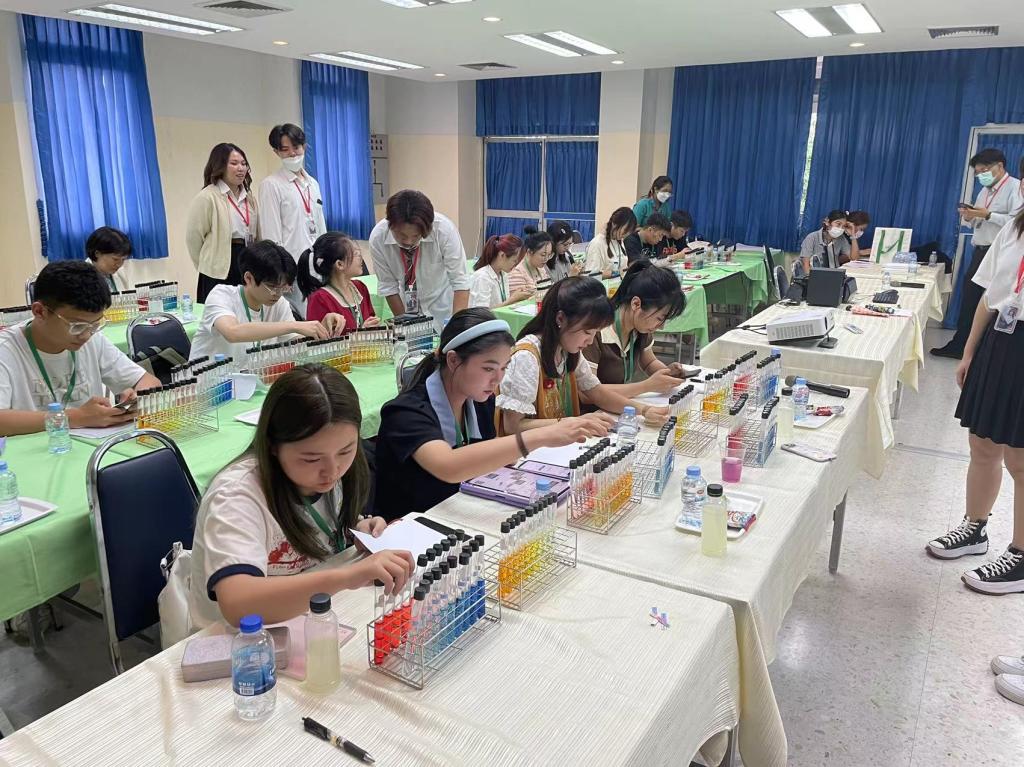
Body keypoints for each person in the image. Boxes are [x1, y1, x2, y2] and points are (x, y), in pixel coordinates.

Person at [186, 364, 413, 628]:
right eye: (311, 459)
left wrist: (357, 529)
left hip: (310, 617)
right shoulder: (236, 496)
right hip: (239, 638)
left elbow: (319, 523)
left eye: (346, 451)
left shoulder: (329, 473)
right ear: (273, 445)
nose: (332, 471)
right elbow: (238, 603)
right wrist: (346, 577)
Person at [375, 309, 609, 519]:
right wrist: (543, 435)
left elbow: (487, 454)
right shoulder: (406, 413)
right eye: (488, 368)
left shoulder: (479, 400)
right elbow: (449, 465)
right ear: (453, 360)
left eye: (504, 368)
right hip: (411, 529)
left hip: (461, 511)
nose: (498, 379)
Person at [926, 206, 1024, 597]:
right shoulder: (1014, 228)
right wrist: (969, 351)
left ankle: (1020, 555)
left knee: (1020, 459)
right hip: (1000, 339)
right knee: (982, 445)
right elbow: (990, 295)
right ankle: (975, 528)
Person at [0, 261, 159, 436]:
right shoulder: (6, 350)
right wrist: (75, 418)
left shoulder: (93, 339)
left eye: (95, 324)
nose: (85, 335)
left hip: (91, 446)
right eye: (76, 326)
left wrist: (136, 399)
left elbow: (149, 382)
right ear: (40, 312)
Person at [496, 277, 669, 435]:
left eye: (595, 333)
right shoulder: (527, 357)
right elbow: (513, 427)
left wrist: (643, 410)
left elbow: (598, 393)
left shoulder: (568, 351)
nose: (590, 341)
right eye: (587, 332)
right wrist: (574, 422)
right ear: (560, 319)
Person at [932, 149, 1024, 359]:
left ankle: (978, 347)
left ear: (1000, 166)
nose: (981, 175)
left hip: (1001, 253)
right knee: (970, 299)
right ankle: (961, 344)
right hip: (980, 250)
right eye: (978, 172)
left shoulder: (1014, 188)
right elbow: (981, 220)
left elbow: (1015, 222)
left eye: (985, 170)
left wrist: (988, 214)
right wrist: (971, 216)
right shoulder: (984, 191)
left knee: (993, 299)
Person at [189, 240, 341, 363]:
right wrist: (294, 325)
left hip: (250, 384)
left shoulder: (279, 304)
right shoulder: (221, 295)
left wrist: (320, 330)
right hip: (206, 385)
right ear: (248, 278)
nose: (278, 294)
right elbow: (233, 332)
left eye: (284, 288)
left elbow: (295, 342)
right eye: (272, 287)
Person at [369, 190, 470, 333]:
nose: (408, 242)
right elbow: (388, 286)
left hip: (444, 308)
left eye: (416, 236)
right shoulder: (378, 238)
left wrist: (455, 327)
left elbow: (460, 281)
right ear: (390, 225)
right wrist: (406, 326)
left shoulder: (443, 230)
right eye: (402, 235)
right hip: (407, 308)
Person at [583, 262, 689, 397]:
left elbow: (649, 362)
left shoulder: (640, 327)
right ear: (636, 304)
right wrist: (646, 386)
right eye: (659, 318)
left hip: (620, 405)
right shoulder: (595, 331)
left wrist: (667, 373)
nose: (661, 326)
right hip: (596, 409)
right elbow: (587, 393)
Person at [257, 124, 328, 318]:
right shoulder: (271, 185)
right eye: (285, 150)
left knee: (323, 316)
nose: (292, 154)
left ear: (304, 146)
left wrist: (326, 261)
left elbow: (321, 227)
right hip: (293, 271)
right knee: (304, 321)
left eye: (296, 147)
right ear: (276, 152)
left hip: (317, 267)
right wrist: (282, 274)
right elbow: (272, 236)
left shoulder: (313, 184)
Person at [185, 143, 259, 304]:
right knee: (219, 312)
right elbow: (194, 239)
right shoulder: (208, 196)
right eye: (234, 163)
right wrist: (208, 264)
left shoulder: (249, 198)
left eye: (244, 163)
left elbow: (257, 234)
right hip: (218, 267)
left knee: (245, 310)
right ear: (220, 166)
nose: (240, 168)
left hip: (246, 260)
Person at [297, 232, 380, 331]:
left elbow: (371, 320)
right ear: (340, 264)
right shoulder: (320, 298)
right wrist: (361, 333)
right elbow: (319, 338)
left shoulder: (360, 287)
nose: (361, 258)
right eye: (356, 254)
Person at [469, 234, 532, 309]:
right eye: (514, 261)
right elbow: (481, 312)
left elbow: (501, 305)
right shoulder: (482, 277)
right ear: (502, 255)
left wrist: (518, 296)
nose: (515, 265)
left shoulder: (503, 274)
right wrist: (513, 299)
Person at [585, 207, 636, 278]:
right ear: (614, 224)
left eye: (629, 232)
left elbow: (622, 267)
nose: (626, 235)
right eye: (625, 230)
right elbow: (590, 275)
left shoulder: (619, 240)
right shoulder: (597, 244)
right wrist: (614, 273)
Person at [798, 209, 851, 274]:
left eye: (844, 226)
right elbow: (806, 265)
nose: (840, 228)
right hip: (815, 275)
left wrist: (853, 235)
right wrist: (811, 279)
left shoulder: (841, 238)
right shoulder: (812, 238)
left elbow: (852, 257)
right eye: (838, 224)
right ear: (827, 222)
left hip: (834, 274)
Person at [85, 226, 132, 293]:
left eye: (123, 259)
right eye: (115, 259)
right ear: (97, 253)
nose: (119, 265)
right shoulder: (82, 279)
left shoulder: (119, 275)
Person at [508, 229, 552, 294]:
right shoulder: (517, 275)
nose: (546, 259)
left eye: (549, 255)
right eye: (543, 255)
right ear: (529, 252)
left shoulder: (541, 269)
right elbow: (519, 300)